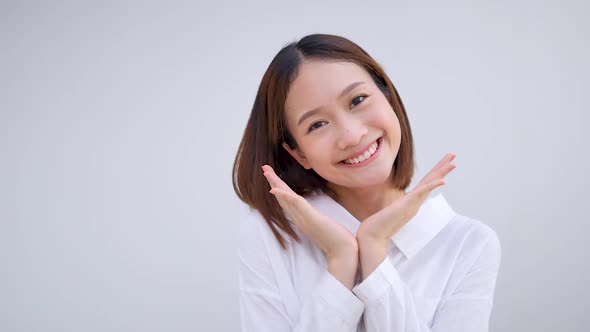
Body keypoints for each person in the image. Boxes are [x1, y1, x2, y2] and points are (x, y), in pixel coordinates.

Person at [233, 33, 501, 331]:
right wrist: (341, 259)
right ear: (298, 154)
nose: (351, 135)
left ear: (387, 96)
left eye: (357, 100)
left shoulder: (469, 244)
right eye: (317, 124)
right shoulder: (270, 235)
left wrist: (373, 251)